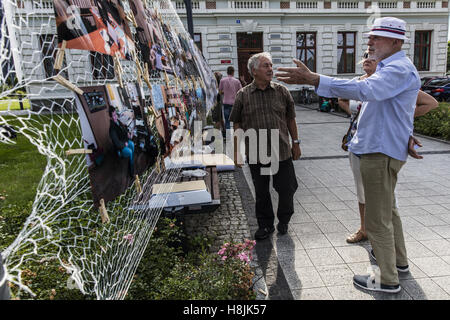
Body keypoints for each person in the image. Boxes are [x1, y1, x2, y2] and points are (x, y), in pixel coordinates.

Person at [276, 17, 422, 293]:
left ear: (395, 42)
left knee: (378, 219)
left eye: (376, 37)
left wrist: (314, 78)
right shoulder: (392, 68)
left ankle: (388, 279)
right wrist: (405, 134)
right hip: (381, 148)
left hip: (379, 153)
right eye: (370, 37)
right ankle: (399, 264)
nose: (369, 41)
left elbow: (365, 90)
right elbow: (393, 108)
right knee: (389, 211)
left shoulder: (397, 69)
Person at [339, 53, 439, 245]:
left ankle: (384, 239)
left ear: (383, 62)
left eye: (374, 57)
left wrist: (403, 116)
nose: (368, 58)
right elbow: (341, 99)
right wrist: (356, 115)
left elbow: (431, 103)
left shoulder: (393, 84)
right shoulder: (358, 82)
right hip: (356, 143)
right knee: (361, 190)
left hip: (381, 147)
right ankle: (364, 229)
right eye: (366, 55)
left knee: (384, 196)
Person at [230, 52, 301, 240]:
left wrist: (296, 143)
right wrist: (236, 151)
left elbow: (290, 119)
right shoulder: (243, 95)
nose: (270, 69)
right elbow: (236, 123)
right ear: (254, 71)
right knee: (261, 192)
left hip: (282, 150)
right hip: (256, 152)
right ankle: (266, 225)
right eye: (265, 66)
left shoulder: (282, 91)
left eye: (271, 65)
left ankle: (284, 219)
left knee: (287, 188)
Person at [109, 108, 135, 177]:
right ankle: (131, 171)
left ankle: (131, 162)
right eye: (113, 116)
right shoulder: (112, 129)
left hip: (124, 141)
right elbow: (117, 143)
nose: (115, 117)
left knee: (132, 144)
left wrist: (128, 133)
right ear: (111, 117)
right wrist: (124, 144)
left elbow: (124, 128)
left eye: (115, 115)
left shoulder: (118, 121)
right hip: (120, 146)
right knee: (129, 152)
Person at [219, 66, 242, 132]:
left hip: (226, 102)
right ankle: (236, 137)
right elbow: (240, 91)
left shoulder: (222, 80)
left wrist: (225, 91)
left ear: (227, 72)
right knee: (236, 122)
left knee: (227, 121)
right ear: (233, 72)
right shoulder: (237, 81)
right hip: (234, 103)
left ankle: (228, 138)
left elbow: (220, 91)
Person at [212, 71, 225, 136]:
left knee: (220, 119)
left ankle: (222, 133)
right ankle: (218, 133)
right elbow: (218, 93)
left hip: (217, 103)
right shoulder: (216, 84)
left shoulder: (216, 84)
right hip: (217, 103)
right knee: (218, 119)